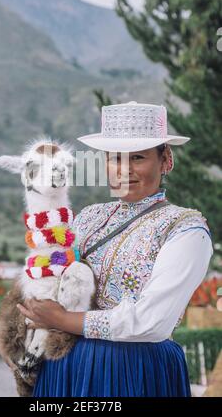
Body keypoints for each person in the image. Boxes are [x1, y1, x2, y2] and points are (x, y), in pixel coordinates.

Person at [17, 101, 213, 397]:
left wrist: (61, 320)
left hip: (133, 371)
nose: (124, 170)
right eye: (114, 158)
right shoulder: (89, 217)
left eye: (137, 157)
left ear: (166, 160)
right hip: (64, 367)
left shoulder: (186, 230)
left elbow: (151, 322)